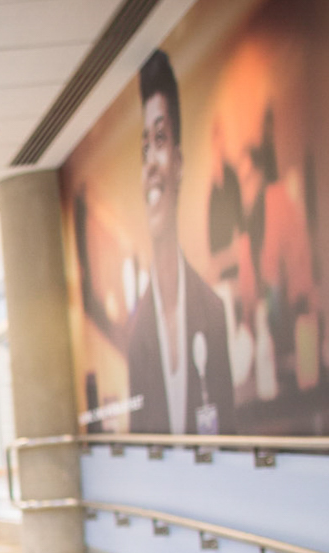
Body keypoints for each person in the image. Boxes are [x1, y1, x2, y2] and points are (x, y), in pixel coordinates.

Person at [126, 48, 235, 435]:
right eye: (144, 149)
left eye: (160, 140)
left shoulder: (213, 313)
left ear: (179, 162)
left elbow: (230, 434)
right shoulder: (137, 333)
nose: (150, 165)